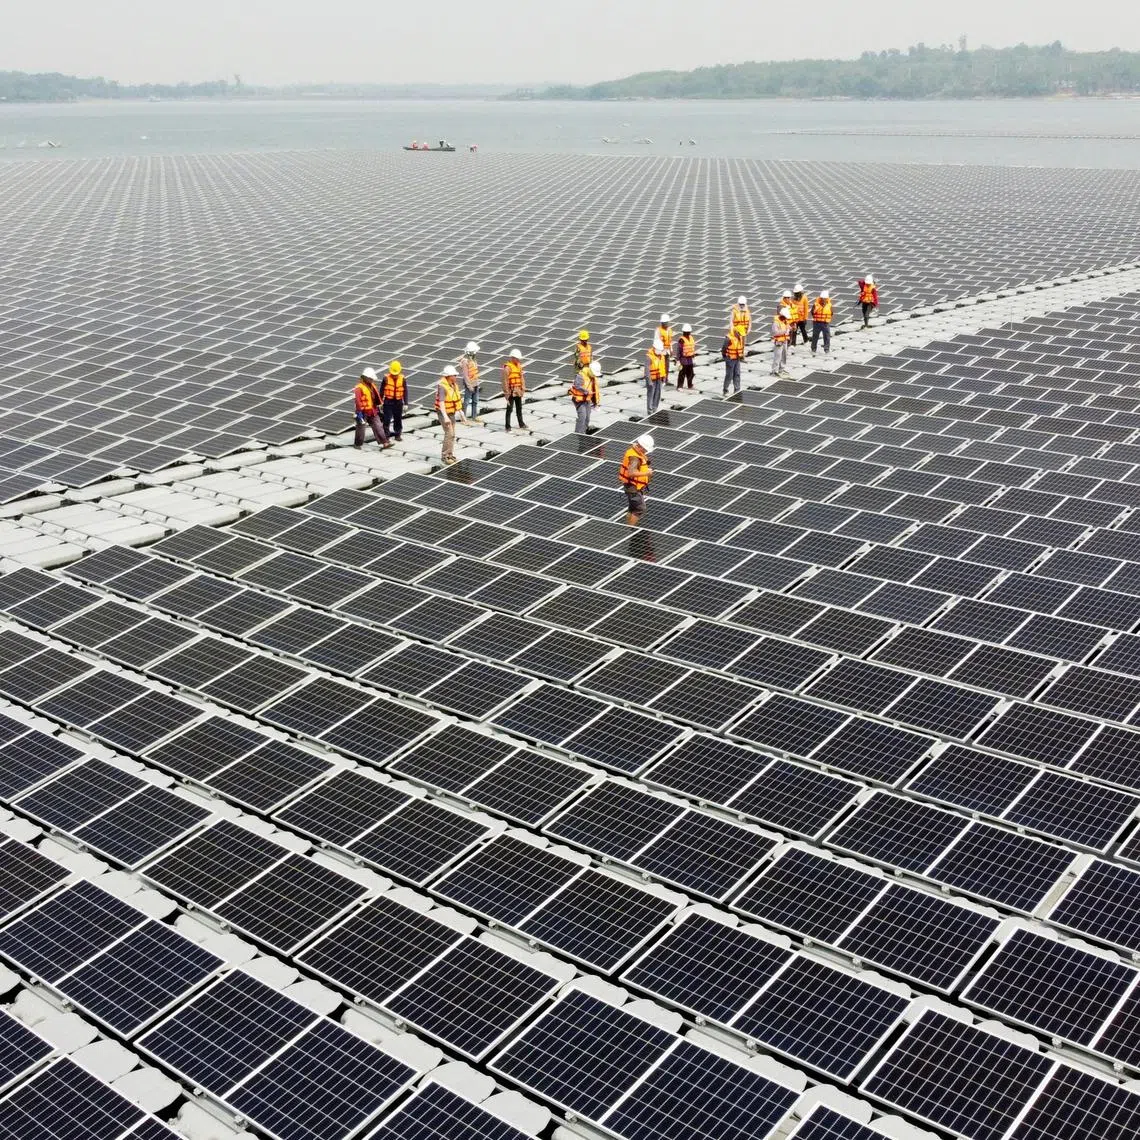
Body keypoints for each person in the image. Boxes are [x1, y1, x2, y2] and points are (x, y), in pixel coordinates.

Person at [619, 433, 654, 526]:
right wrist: (647, 473)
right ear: (641, 447)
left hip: (633, 486)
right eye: (645, 449)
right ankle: (630, 528)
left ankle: (628, 525)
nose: (646, 452)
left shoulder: (635, 453)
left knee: (633, 508)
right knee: (640, 508)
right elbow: (631, 473)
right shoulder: (635, 458)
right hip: (632, 487)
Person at [435, 365, 466, 464]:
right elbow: (442, 403)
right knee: (449, 434)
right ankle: (445, 456)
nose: (456, 377)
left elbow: (457, 400)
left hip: (452, 412)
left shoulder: (454, 385)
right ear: (449, 376)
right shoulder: (442, 386)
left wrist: (461, 413)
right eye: (454, 375)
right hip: (444, 413)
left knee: (452, 435)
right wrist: (445, 417)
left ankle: (450, 455)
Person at [353, 367, 390, 449]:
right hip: (362, 412)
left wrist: (380, 405)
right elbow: (358, 401)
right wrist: (359, 412)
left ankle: (385, 443)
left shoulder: (372, 386)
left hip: (372, 410)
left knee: (378, 426)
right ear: (366, 378)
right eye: (371, 378)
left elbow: (375, 397)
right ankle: (357, 444)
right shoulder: (359, 388)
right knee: (361, 429)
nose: (372, 380)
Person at [569, 360, 601, 433]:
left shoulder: (593, 377)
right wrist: (586, 391)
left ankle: (583, 431)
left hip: (587, 399)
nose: (594, 375)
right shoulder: (581, 375)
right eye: (594, 373)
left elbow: (596, 390)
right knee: (582, 417)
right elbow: (577, 386)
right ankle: (578, 433)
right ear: (590, 370)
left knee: (587, 418)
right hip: (579, 400)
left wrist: (596, 403)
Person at [381, 360, 408, 441]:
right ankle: (386, 436)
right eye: (393, 374)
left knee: (398, 419)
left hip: (398, 402)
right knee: (387, 419)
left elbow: (405, 391)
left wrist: (406, 403)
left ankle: (397, 434)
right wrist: (380, 403)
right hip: (388, 402)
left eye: (396, 374)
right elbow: (381, 390)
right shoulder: (386, 378)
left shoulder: (403, 379)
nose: (394, 375)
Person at [502, 349, 527, 432]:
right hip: (511, 392)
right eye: (517, 358)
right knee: (509, 409)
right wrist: (506, 393)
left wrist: (523, 388)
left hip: (518, 391)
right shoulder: (507, 368)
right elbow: (505, 381)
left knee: (519, 408)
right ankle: (507, 427)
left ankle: (521, 424)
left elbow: (521, 378)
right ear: (513, 358)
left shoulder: (519, 366)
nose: (518, 360)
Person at [458, 341, 482, 422]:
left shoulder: (474, 360)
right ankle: (463, 418)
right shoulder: (465, 362)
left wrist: (477, 383)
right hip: (470, 384)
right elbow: (465, 376)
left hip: (475, 383)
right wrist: (469, 386)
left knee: (475, 401)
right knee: (466, 401)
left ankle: (474, 416)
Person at [645, 336, 668, 414]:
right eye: (658, 349)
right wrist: (649, 381)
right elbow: (647, 371)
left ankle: (655, 407)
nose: (660, 351)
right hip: (652, 379)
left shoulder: (661, 356)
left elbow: (663, 368)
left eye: (660, 350)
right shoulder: (649, 357)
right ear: (654, 348)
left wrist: (664, 378)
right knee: (651, 394)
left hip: (659, 378)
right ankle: (650, 410)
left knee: (658, 393)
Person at [721, 326, 744, 394]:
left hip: (737, 359)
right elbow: (723, 349)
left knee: (737, 374)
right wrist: (726, 358)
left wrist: (741, 356)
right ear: (735, 331)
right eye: (739, 333)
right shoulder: (728, 338)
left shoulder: (739, 337)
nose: (740, 335)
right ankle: (725, 390)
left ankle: (737, 389)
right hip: (730, 359)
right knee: (729, 375)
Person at [771, 306, 792, 377]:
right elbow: (775, 332)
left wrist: (790, 328)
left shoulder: (785, 321)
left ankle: (782, 369)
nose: (786, 318)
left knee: (784, 356)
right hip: (779, 342)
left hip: (785, 341)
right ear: (782, 315)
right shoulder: (776, 322)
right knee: (777, 357)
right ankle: (774, 371)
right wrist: (785, 330)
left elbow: (787, 328)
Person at [675, 324, 696, 389]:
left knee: (691, 373)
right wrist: (678, 360)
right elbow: (679, 351)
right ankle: (679, 386)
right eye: (686, 332)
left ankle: (690, 384)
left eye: (688, 332)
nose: (688, 333)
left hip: (690, 359)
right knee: (682, 373)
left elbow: (692, 348)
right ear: (684, 332)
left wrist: (694, 357)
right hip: (683, 359)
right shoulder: (681, 340)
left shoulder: (691, 338)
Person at [811, 291, 832, 355]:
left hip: (825, 323)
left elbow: (831, 313)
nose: (823, 299)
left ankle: (826, 349)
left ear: (827, 298)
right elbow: (812, 312)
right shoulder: (816, 304)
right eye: (822, 298)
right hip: (817, 323)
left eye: (825, 298)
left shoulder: (829, 305)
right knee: (815, 336)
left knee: (826, 336)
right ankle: (813, 348)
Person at [656, 314, 672, 379]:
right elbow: (656, 342)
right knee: (661, 366)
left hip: (667, 351)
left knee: (667, 365)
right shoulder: (658, 330)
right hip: (661, 351)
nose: (664, 324)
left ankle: (666, 379)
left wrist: (671, 349)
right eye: (663, 323)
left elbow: (670, 340)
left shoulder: (669, 330)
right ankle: (661, 379)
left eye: (665, 322)